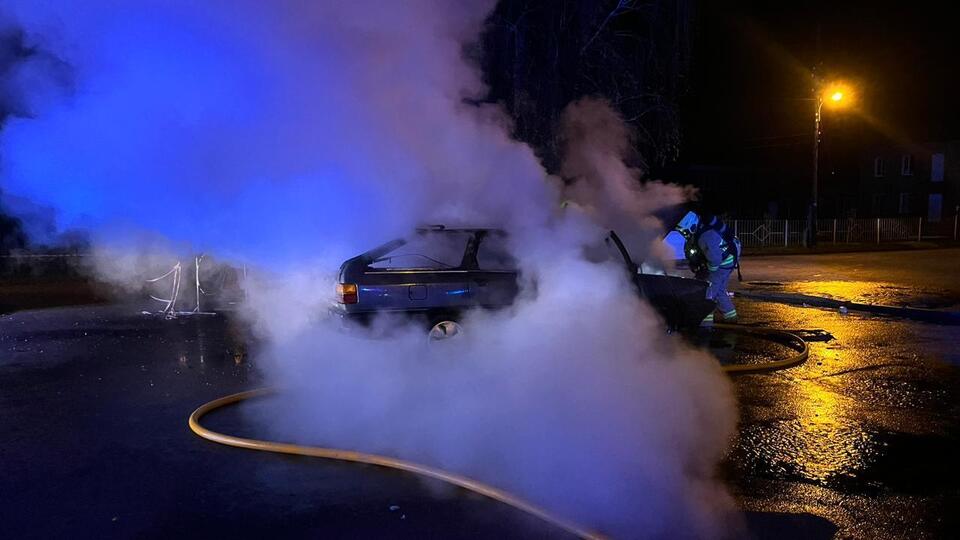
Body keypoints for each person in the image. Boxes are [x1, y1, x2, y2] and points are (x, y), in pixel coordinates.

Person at [675, 212, 740, 325]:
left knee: (707, 292)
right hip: (728, 257)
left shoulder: (705, 237)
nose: (684, 234)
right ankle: (731, 316)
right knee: (719, 289)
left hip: (723, 263)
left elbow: (715, 260)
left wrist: (707, 272)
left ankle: (705, 325)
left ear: (691, 226)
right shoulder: (701, 231)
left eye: (684, 231)